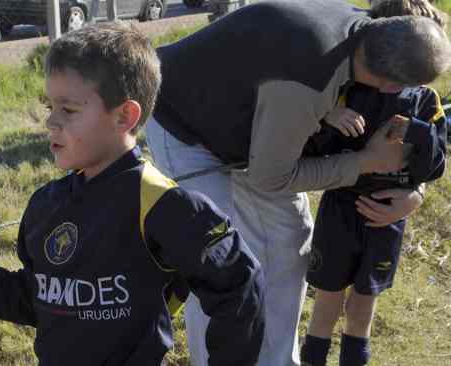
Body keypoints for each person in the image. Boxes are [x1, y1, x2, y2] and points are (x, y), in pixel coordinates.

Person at [144, 0, 451, 365]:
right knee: (219, 258)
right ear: (389, 86)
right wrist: (365, 162)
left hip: (255, 136)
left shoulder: (369, 35)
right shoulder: (310, 81)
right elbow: (272, 175)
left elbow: (421, 148)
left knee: (290, 242)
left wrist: (414, 190)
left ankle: (276, 360)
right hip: (185, 126)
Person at [0, 22, 265, 366]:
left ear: (124, 116)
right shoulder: (45, 204)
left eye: (68, 110)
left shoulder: (162, 204)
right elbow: (37, 300)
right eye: (49, 107)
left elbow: (240, 287)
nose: (51, 122)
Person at [299, 3, 448, 366]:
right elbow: (313, 148)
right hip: (340, 210)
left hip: (388, 220)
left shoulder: (425, 100)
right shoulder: (350, 86)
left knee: (363, 306)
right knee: (327, 302)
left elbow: (434, 167)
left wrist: (418, 133)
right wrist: (329, 116)